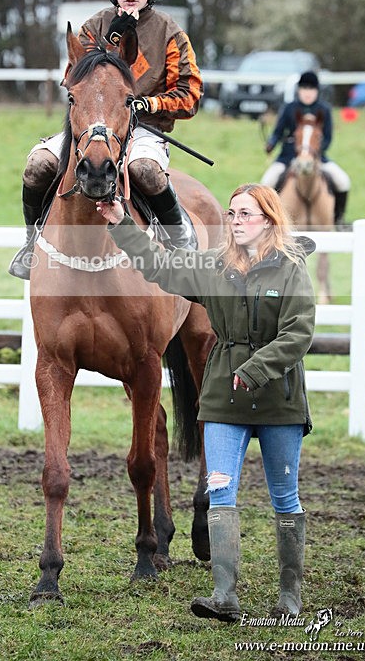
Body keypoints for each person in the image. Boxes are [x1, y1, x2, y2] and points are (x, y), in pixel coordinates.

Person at [96, 183, 316, 622]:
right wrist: (121, 223)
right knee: (220, 491)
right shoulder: (216, 266)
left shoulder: (291, 269)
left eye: (246, 214)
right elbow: (162, 267)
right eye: (232, 214)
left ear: (269, 220)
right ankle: (224, 596)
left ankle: (290, 598)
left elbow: (299, 333)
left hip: (279, 401)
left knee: (285, 497)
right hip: (222, 400)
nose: (235, 222)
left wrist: (254, 370)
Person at [9, 0, 204, 278]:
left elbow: (190, 94)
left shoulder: (171, 33)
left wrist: (149, 102)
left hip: (143, 127)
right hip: (90, 123)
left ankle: (181, 241)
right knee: (38, 165)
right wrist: (112, 42)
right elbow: (73, 79)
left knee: (145, 170)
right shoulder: (93, 26)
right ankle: (31, 243)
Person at [261, 71, 351, 228]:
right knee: (266, 182)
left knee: (343, 181)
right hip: (287, 157)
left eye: (311, 89)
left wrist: (312, 153)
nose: (308, 93)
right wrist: (271, 143)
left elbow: (328, 138)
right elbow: (278, 133)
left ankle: (338, 219)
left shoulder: (324, 109)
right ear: (299, 90)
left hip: (316, 158)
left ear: (317, 91)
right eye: (304, 89)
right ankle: (268, 222)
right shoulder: (289, 108)